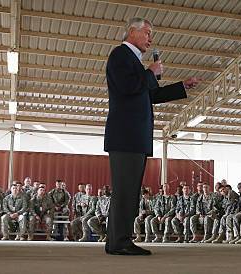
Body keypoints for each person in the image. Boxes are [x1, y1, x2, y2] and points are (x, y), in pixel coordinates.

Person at [103, 16, 200, 255]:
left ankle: (118, 241)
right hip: (126, 135)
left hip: (133, 137)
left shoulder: (134, 63)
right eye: (147, 32)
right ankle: (119, 243)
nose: (150, 38)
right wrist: (151, 72)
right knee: (125, 190)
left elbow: (149, 95)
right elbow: (127, 88)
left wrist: (181, 86)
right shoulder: (120, 55)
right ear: (132, 33)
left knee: (129, 190)